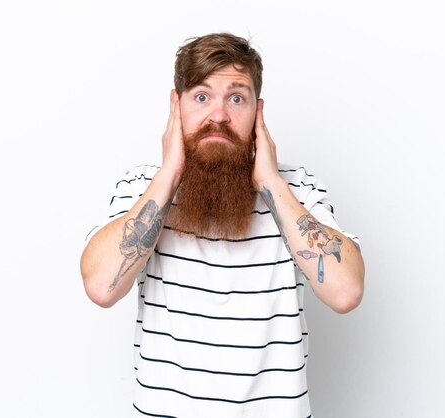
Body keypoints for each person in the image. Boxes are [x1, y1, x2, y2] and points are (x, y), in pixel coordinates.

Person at [80, 33, 365, 418]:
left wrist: (271, 184)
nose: (218, 115)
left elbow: (345, 292)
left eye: (236, 98)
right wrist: (169, 173)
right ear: (175, 106)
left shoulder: (296, 190)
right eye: (201, 96)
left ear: (257, 113)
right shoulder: (142, 190)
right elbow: (100, 288)